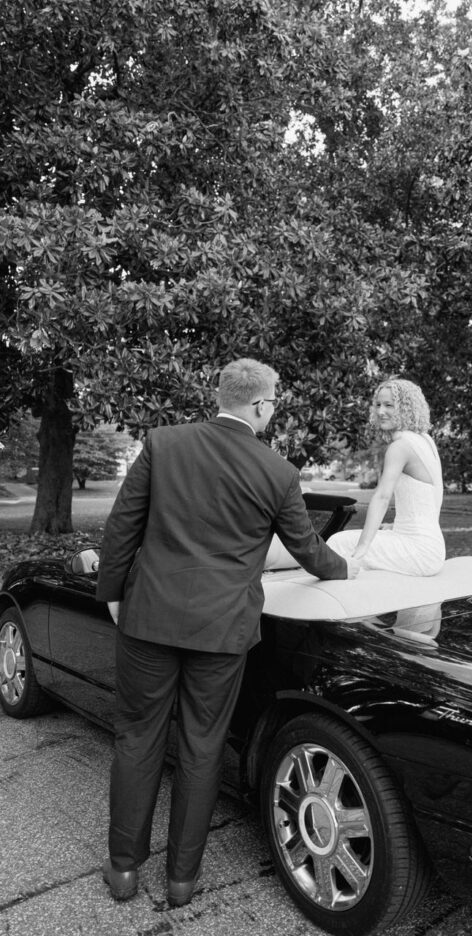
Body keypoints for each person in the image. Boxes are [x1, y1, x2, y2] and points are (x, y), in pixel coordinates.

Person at [95, 358, 359, 908]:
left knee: (137, 738)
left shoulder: (163, 444)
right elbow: (309, 551)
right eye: (274, 404)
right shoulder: (278, 472)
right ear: (260, 405)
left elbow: (122, 528)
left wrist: (114, 595)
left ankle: (123, 870)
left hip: (149, 618)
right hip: (222, 629)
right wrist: (348, 568)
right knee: (202, 747)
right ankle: (181, 881)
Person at [327, 377, 445, 575]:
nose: (381, 411)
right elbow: (433, 497)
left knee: (338, 543)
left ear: (406, 408)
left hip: (419, 551)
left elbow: (382, 497)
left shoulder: (399, 447)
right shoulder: (425, 440)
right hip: (432, 546)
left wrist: (362, 549)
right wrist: (397, 525)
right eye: (378, 404)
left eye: (389, 405)